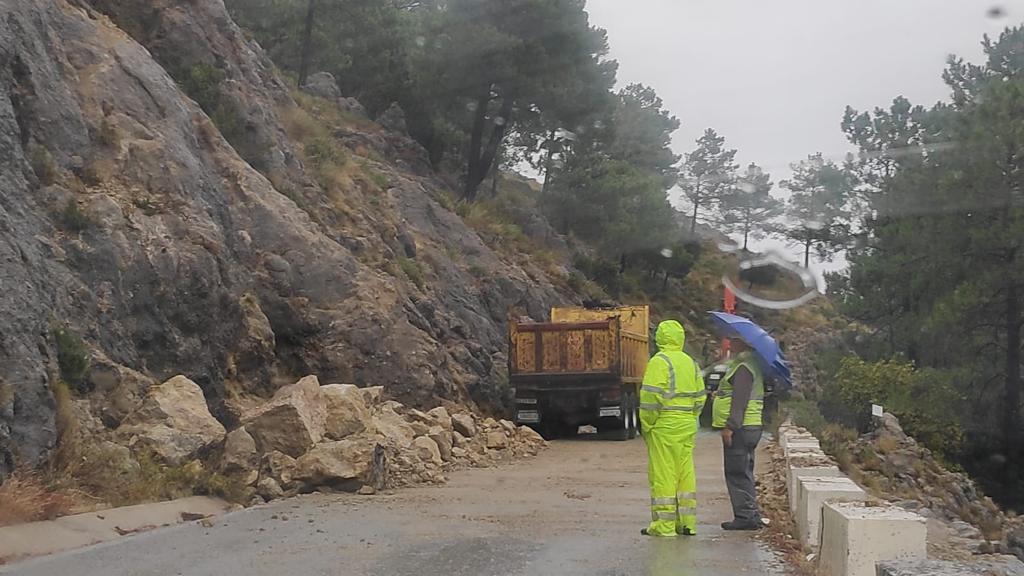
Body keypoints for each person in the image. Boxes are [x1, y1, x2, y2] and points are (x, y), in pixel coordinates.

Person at [639, 320, 706, 537]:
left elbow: (650, 397)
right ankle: (687, 523)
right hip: (687, 424)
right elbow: (700, 397)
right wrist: (691, 416)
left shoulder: (660, 361)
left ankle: (664, 525)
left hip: (664, 425)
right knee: (685, 473)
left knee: (663, 473)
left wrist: (647, 424)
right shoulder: (690, 362)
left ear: (660, 337)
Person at [712, 338, 765, 530]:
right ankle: (751, 514)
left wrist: (730, 427)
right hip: (751, 425)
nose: (730, 343)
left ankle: (745, 517)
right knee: (745, 471)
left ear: (744, 342)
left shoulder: (743, 367)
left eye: (734, 339)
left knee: (737, 472)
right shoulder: (750, 364)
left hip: (741, 428)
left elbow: (740, 401)